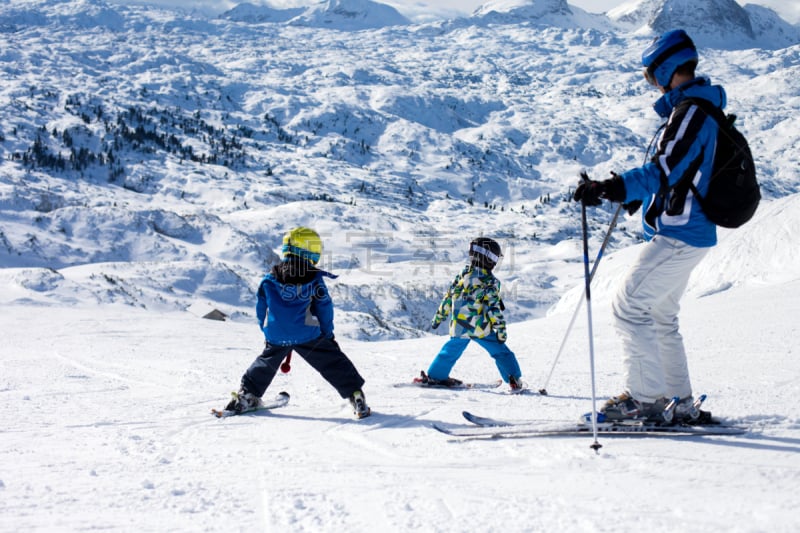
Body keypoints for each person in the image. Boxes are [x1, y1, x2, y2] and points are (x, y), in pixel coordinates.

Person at [573, 29, 724, 423]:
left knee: (627, 307)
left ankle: (644, 399)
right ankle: (680, 401)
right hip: (691, 231)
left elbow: (666, 168)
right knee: (660, 315)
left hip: (681, 233)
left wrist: (616, 186)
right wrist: (640, 195)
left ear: (667, 69)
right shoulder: (696, 108)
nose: (651, 84)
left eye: (651, 75)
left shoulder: (692, 111)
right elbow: (686, 172)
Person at [223, 227, 370, 418]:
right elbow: (324, 307)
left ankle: (246, 396)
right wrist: (327, 333)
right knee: (333, 362)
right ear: (309, 250)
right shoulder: (314, 279)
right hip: (308, 334)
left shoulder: (269, 278)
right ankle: (355, 395)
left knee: (266, 362)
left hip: (276, 333)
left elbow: (261, 310)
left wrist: (268, 331)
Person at [423, 237, 524, 391]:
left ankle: (435, 376)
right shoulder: (490, 282)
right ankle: (513, 379)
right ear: (489, 259)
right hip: (480, 327)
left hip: (459, 326)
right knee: (501, 353)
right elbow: (493, 308)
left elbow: (448, 298)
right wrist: (501, 331)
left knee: (449, 352)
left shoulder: (461, 277)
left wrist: (439, 317)